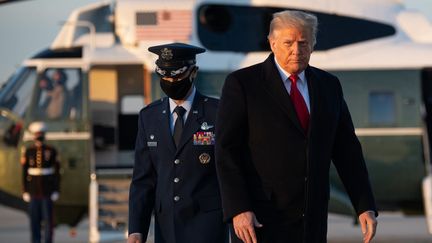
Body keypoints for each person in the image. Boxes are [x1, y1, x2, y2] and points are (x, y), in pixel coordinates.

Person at [215, 10, 378, 243]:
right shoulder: (243, 84)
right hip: (259, 220)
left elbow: (347, 152)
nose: (296, 50)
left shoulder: (329, 86)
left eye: (303, 43)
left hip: (311, 219)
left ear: (313, 45)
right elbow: (226, 151)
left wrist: (364, 206)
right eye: (288, 43)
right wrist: (238, 209)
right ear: (272, 43)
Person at [128, 43, 229, 243]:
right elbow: (143, 179)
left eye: (176, 76)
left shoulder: (217, 113)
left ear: (193, 72)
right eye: (165, 76)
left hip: (207, 224)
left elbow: (229, 171)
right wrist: (136, 229)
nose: (170, 81)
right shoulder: (149, 116)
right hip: (167, 226)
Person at [21, 121, 60, 243]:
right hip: (33, 191)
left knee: (48, 220)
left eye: (41, 134)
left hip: (47, 191)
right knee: (34, 220)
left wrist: (56, 190)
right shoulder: (28, 151)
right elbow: (24, 172)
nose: (39, 137)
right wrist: (25, 190)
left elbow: (57, 173)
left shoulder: (51, 151)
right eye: (37, 134)